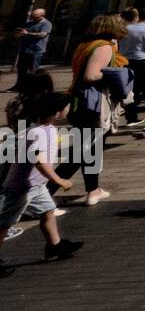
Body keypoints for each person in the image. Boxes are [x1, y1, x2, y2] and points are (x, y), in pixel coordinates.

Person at [0, 92, 82, 274]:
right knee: (4, 223)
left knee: (47, 211)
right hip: (21, 186)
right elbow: (38, 160)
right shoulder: (38, 133)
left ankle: (55, 245)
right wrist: (59, 180)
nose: (69, 109)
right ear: (58, 112)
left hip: (36, 185)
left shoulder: (46, 129)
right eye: (67, 107)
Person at [59, 14, 127, 206]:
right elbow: (91, 75)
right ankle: (45, 192)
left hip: (81, 100)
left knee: (92, 149)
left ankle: (93, 190)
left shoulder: (85, 45)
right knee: (83, 151)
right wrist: (115, 74)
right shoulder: (103, 47)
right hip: (93, 103)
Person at [118, 7, 145, 125]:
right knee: (138, 89)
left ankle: (125, 110)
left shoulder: (124, 28)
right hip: (139, 61)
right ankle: (131, 115)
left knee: (126, 87)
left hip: (123, 60)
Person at [13, 7, 52, 86]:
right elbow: (22, 33)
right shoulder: (30, 23)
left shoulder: (46, 23)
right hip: (24, 49)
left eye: (35, 17)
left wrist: (27, 34)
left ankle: (31, 87)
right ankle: (19, 85)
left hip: (36, 51)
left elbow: (43, 34)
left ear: (42, 16)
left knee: (33, 71)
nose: (33, 18)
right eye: (33, 16)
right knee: (21, 70)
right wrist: (18, 34)